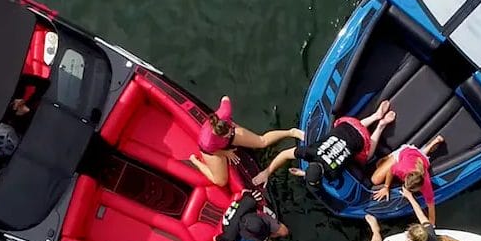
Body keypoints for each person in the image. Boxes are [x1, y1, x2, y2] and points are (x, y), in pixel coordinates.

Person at [252, 100, 396, 189]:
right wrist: (267, 172)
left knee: (367, 155)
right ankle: (375, 116)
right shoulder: (310, 152)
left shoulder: (332, 174)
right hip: (348, 123)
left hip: (363, 139)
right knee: (351, 131)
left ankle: (380, 125)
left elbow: (333, 169)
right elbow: (284, 154)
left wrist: (303, 174)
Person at [187, 95, 303, 187]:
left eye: (229, 131)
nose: (229, 136)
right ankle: (195, 161)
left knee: (262, 142)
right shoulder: (207, 141)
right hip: (214, 151)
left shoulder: (225, 114)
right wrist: (226, 153)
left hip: (225, 133)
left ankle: (291, 132)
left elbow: (225, 98)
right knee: (220, 181)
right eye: (226, 135)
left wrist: (232, 129)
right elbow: (212, 152)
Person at [371, 133, 442, 223]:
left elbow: (431, 207)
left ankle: (432, 143)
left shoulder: (426, 185)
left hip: (421, 159)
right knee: (375, 178)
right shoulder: (402, 168)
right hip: (406, 151)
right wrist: (386, 187)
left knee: (422, 157)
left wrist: (432, 225)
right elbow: (391, 170)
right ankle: (390, 156)